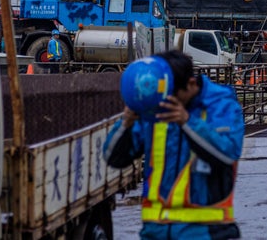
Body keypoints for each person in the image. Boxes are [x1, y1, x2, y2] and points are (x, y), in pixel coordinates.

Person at [105, 49, 245, 239]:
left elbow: (227, 153)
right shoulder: (156, 105)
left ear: (191, 84)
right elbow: (114, 159)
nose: (166, 102)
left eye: (172, 96)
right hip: (156, 231)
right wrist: (125, 124)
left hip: (207, 232)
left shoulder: (221, 104)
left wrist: (187, 122)